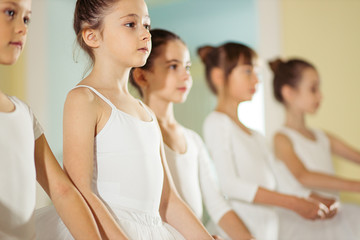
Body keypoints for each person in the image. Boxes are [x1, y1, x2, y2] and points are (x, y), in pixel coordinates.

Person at [35, 1, 215, 239]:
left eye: (147, 25)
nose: (144, 34)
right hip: (106, 231)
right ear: (92, 36)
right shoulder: (85, 99)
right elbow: (81, 192)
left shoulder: (146, 112)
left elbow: (168, 199)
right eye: (131, 24)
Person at [130, 28, 255, 240]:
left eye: (187, 67)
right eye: (173, 66)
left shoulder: (193, 140)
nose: (186, 75)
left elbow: (216, 203)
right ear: (142, 75)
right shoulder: (137, 132)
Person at [199, 42, 329, 240]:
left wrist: (311, 198)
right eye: (247, 71)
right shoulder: (217, 122)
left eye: (257, 73)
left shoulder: (256, 135)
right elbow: (229, 184)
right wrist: (293, 203)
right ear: (219, 76)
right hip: (235, 234)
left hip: (265, 232)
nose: (256, 80)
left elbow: (280, 180)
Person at [0, 0, 102, 239]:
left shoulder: (23, 114)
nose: (23, 28)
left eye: (27, 19)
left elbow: (62, 191)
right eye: (10, 12)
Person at [271, 58, 360, 240]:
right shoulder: (282, 138)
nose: (320, 96)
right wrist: (356, 186)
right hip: (304, 226)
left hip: (335, 219)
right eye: (313, 89)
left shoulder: (322, 137)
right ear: (289, 93)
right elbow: (303, 176)